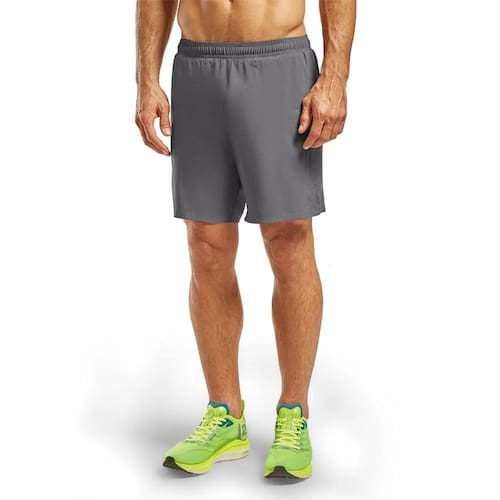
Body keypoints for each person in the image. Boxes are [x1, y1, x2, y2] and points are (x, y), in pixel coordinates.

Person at [135, 0, 356, 479]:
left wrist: (335, 77)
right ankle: (225, 414)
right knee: (206, 244)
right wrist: (146, 79)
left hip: (279, 63)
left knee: (289, 240)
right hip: (197, 67)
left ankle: (294, 412)